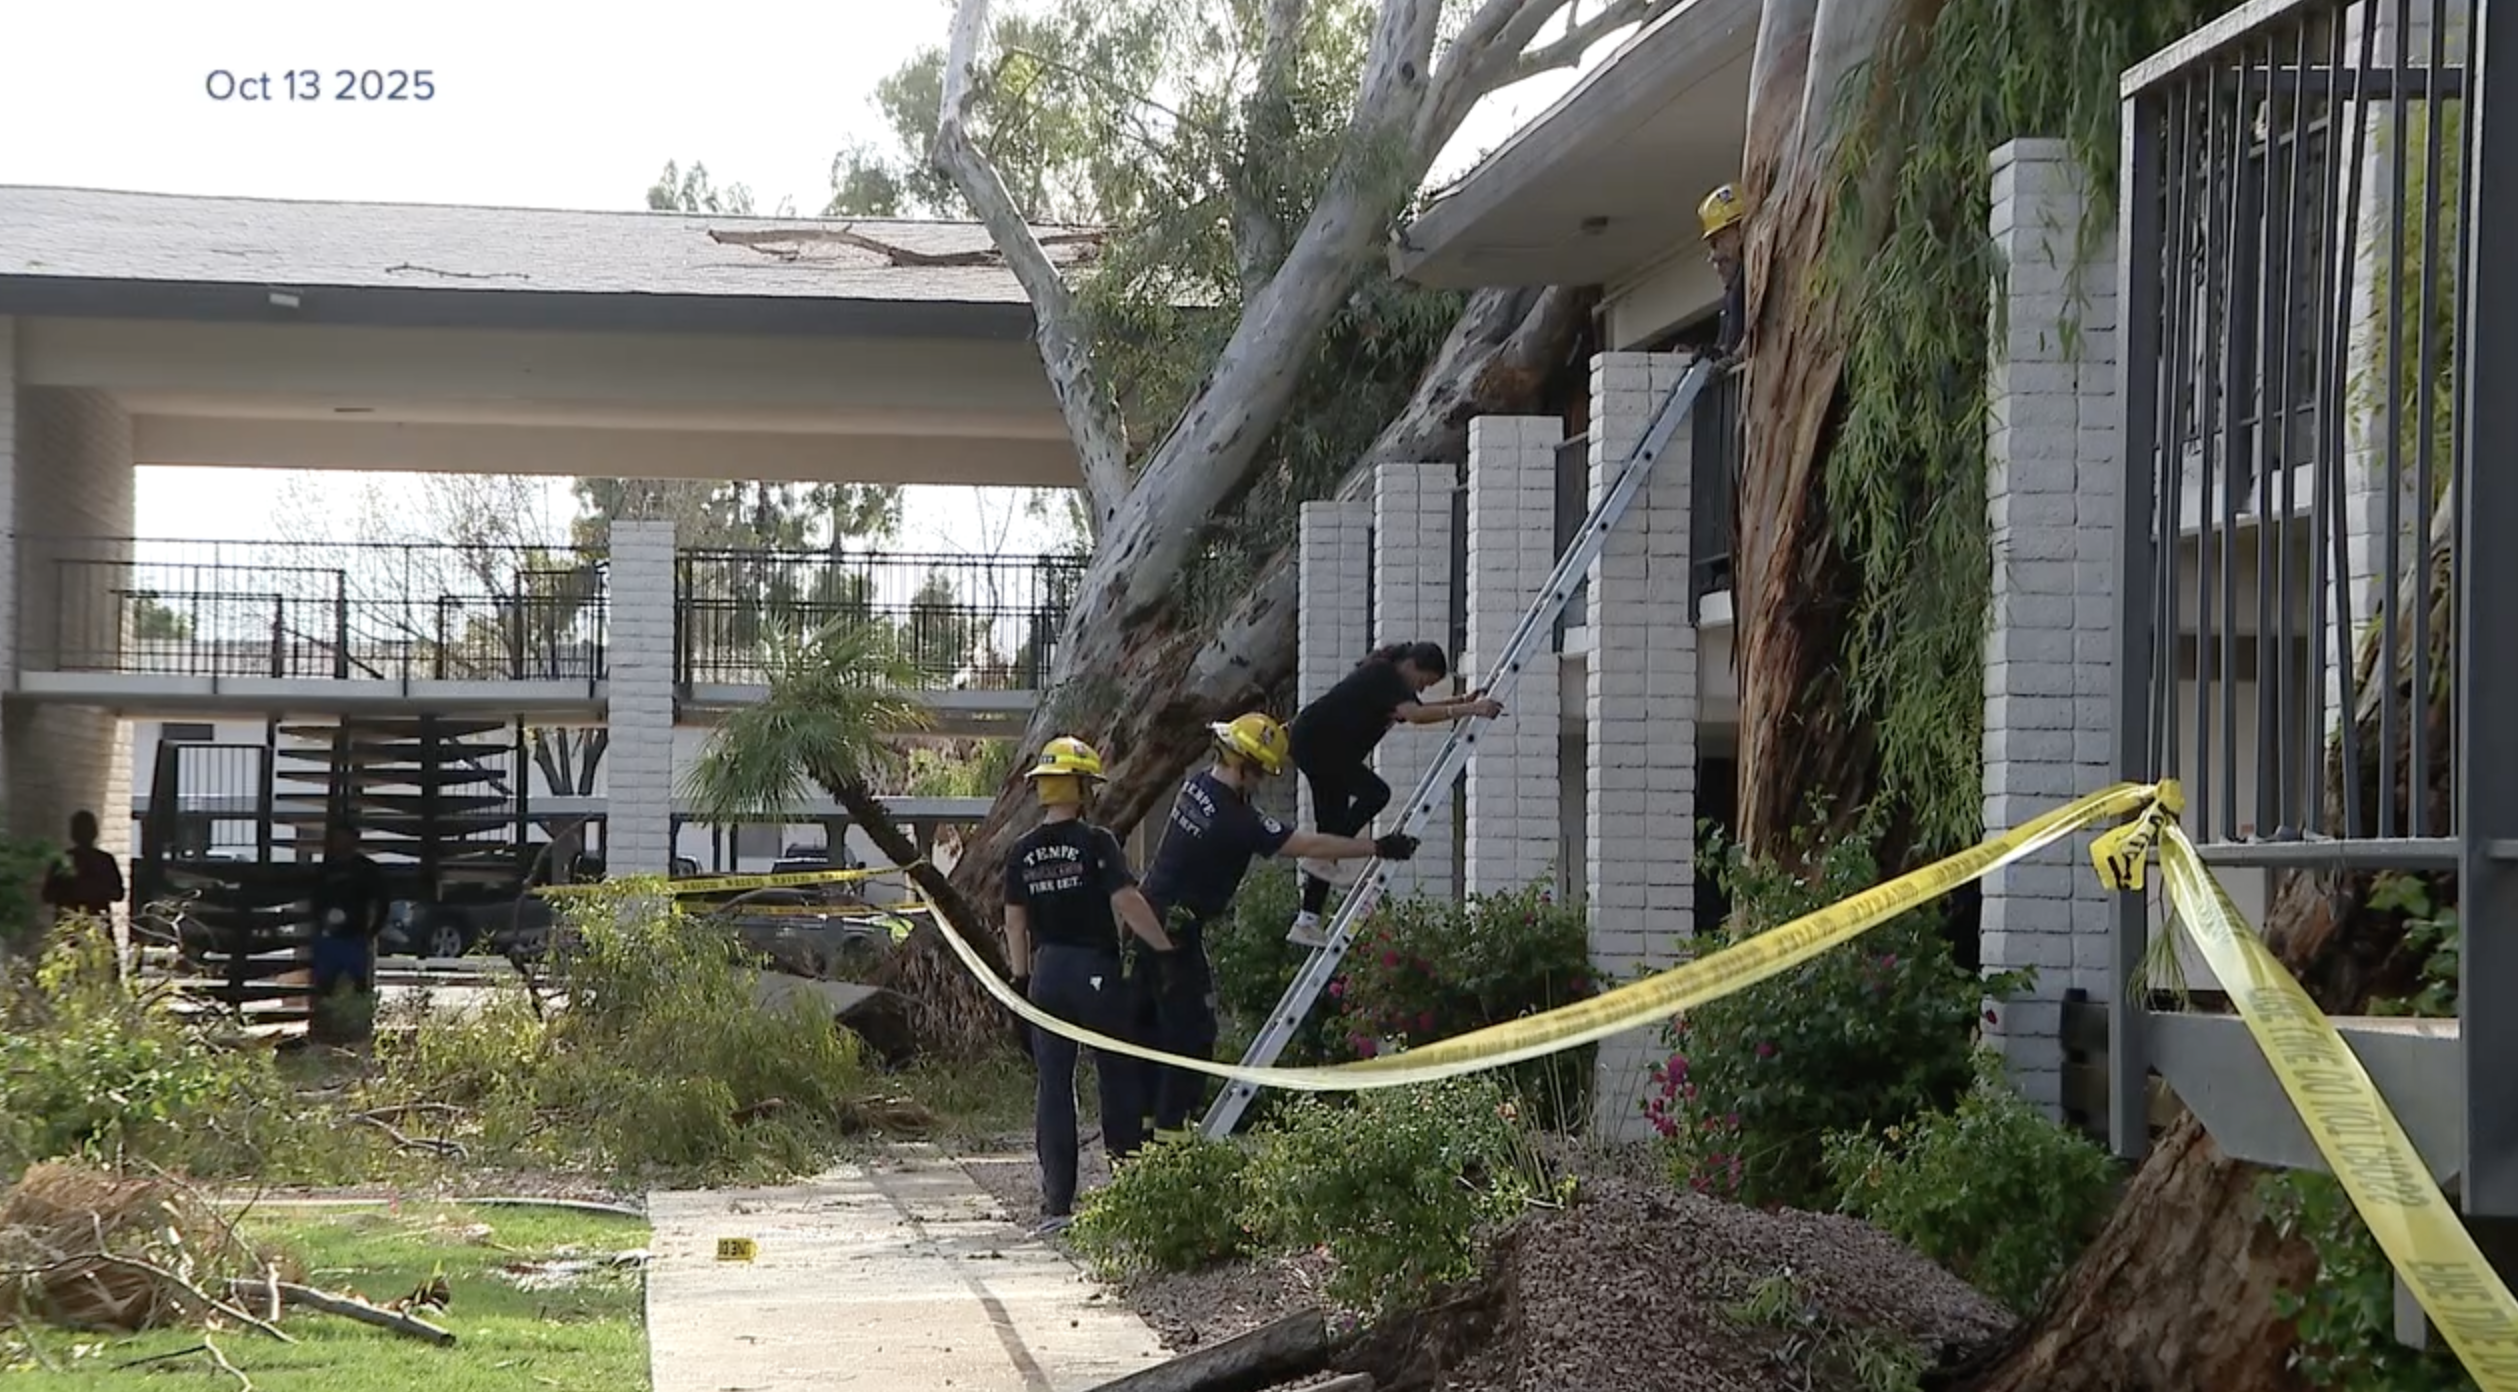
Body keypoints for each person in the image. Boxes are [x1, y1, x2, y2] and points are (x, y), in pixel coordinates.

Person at [1134, 712, 1419, 1137]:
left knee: (1153, 1030)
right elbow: (1307, 843)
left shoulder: (1195, 785)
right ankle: (1170, 1137)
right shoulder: (1237, 820)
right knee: (1192, 1032)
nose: (1261, 782)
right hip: (1174, 930)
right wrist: (1376, 846)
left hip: (1148, 916)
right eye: (1259, 774)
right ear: (1244, 766)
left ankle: (1140, 1130)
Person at [1001, 736, 1180, 1234]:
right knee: (1117, 1075)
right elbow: (1127, 903)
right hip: (1094, 971)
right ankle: (1126, 1192)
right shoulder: (1096, 842)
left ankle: (1057, 1205)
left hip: (1046, 973)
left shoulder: (1022, 852)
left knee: (1053, 1087)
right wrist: (1163, 950)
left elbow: (1014, 924)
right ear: (1081, 787)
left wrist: (1019, 981)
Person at [1283, 643, 1502, 947]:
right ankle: (1325, 853)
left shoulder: (1391, 681)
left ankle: (1306, 920)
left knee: (1331, 830)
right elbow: (1415, 715)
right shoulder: (1383, 675)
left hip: (1317, 745)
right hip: (1319, 744)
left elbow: (1420, 709)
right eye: (1424, 681)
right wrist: (1473, 709)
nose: (1422, 688)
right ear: (1412, 665)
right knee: (1376, 793)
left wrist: (1463, 700)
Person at [309, 823, 389, 1000]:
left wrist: (373, 930)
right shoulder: (327, 868)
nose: (340, 843)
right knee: (324, 985)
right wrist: (319, 923)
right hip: (328, 936)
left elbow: (382, 901)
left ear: (355, 841)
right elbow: (316, 899)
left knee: (359, 984)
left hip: (355, 936)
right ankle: (324, 1018)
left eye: (345, 838)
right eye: (337, 839)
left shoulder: (366, 869)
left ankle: (359, 1017)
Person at [40, 810, 125, 927]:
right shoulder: (105, 860)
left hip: (71, 925)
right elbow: (118, 893)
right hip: (94, 924)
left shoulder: (63, 860)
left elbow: (47, 895)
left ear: (73, 834)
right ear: (95, 832)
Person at [1699, 182, 1750, 361]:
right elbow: (1728, 345)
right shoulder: (1734, 289)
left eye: (1718, 240)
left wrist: (1732, 360)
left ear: (1741, 230)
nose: (1714, 255)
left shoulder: (1753, 280)